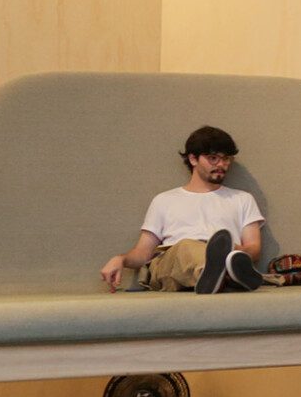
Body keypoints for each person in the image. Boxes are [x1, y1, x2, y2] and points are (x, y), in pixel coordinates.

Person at [99, 125, 270, 295]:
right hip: (171, 263)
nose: (221, 164)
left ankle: (219, 272)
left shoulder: (242, 199)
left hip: (227, 255)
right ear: (193, 159)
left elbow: (254, 249)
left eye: (226, 159)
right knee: (186, 246)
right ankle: (225, 273)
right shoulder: (164, 200)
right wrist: (121, 259)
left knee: (221, 250)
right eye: (213, 158)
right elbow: (143, 252)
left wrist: (234, 249)